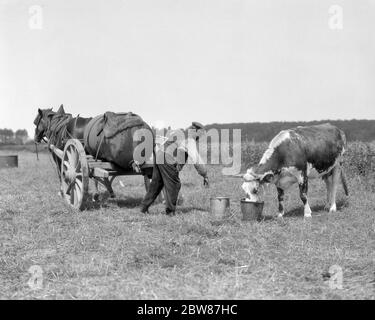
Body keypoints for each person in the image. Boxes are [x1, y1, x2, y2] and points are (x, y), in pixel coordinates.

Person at [140, 122, 209, 216]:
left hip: (159, 155)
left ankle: (144, 208)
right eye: (200, 134)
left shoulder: (179, 133)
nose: (200, 137)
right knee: (174, 184)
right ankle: (170, 212)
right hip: (166, 158)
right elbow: (196, 159)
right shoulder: (189, 140)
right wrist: (204, 174)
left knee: (156, 184)